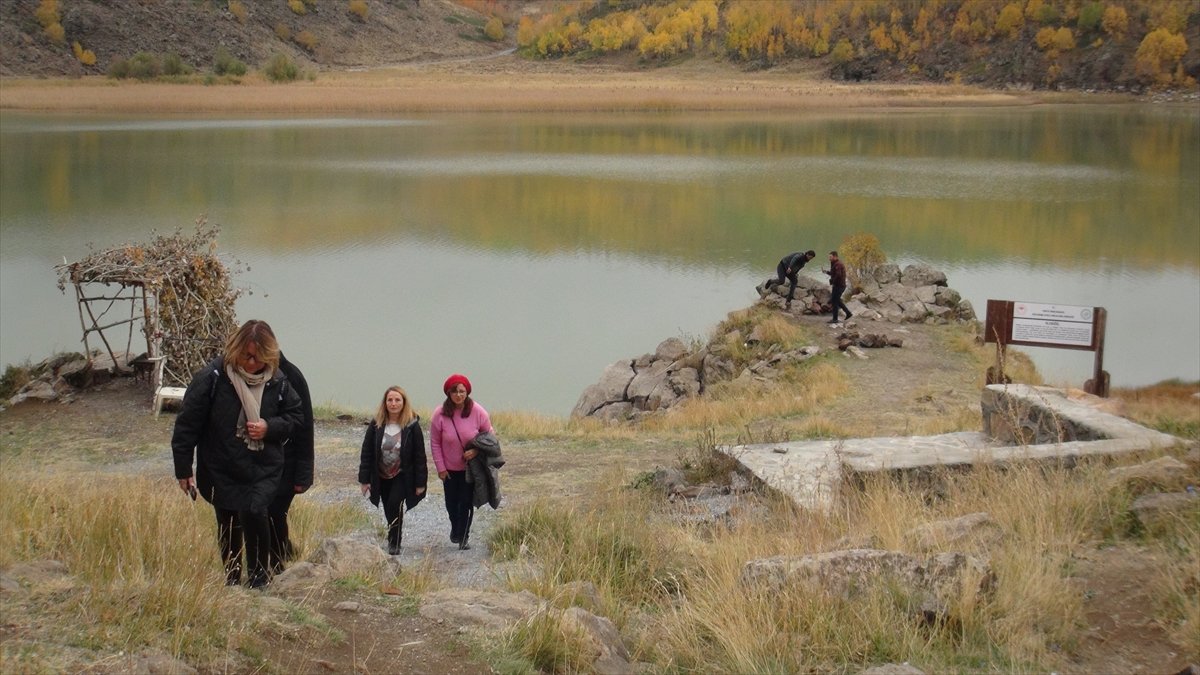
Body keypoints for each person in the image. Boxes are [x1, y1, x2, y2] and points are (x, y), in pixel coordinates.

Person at [172, 319, 304, 589]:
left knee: (257, 512)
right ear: (235, 349)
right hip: (221, 464)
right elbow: (187, 425)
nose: (252, 362)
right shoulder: (212, 378)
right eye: (247, 355)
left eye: (258, 356)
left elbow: (296, 417)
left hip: (262, 465)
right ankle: (232, 579)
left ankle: (259, 578)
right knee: (228, 519)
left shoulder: (277, 381)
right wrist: (183, 469)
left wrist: (269, 427)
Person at [358, 386, 428, 555]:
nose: (393, 403)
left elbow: (420, 456)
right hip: (380, 475)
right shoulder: (377, 424)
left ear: (404, 403)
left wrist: (420, 483)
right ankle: (393, 535)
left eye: (397, 400)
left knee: (394, 503)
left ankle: (394, 542)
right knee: (388, 507)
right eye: (390, 400)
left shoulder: (412, 425)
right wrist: (364, 480)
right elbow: (367, 452)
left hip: (402, 475)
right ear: (385, 402)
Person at [429, 373, 493, 551]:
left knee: (465, 502)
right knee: (451, 502)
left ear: (467, 392)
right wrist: (440, 468)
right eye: (455, 391)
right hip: (449, 469)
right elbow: (435, 442)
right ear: (448, 393)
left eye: (462, 391)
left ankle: (464, 536)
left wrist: (476, 451)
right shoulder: (439, 414)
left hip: (470, 468)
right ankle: (455, 528)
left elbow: (490, 436)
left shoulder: (477, 411)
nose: (459, 395)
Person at [267, 353, 314, 576]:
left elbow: (305, 428)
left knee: (276, 511)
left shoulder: (292, 376)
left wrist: (303, 475)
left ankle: (277, 564)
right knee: (262, 512)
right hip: (263, 460)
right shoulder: (250, 375)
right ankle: (282, 551)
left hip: (289, 461)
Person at [824, 250, 853, 324]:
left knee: (835, 301)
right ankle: (848, 313)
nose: (829, 258)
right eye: (829, 257)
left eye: (830, 257)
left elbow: (838, 275)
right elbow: (834, 273)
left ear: (835, 256)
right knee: (836, 300)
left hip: (839, 286)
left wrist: (832, 281)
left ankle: (835, 319)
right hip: (837, 285)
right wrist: (826, 272)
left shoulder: (838, 264)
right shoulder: (834, 263)